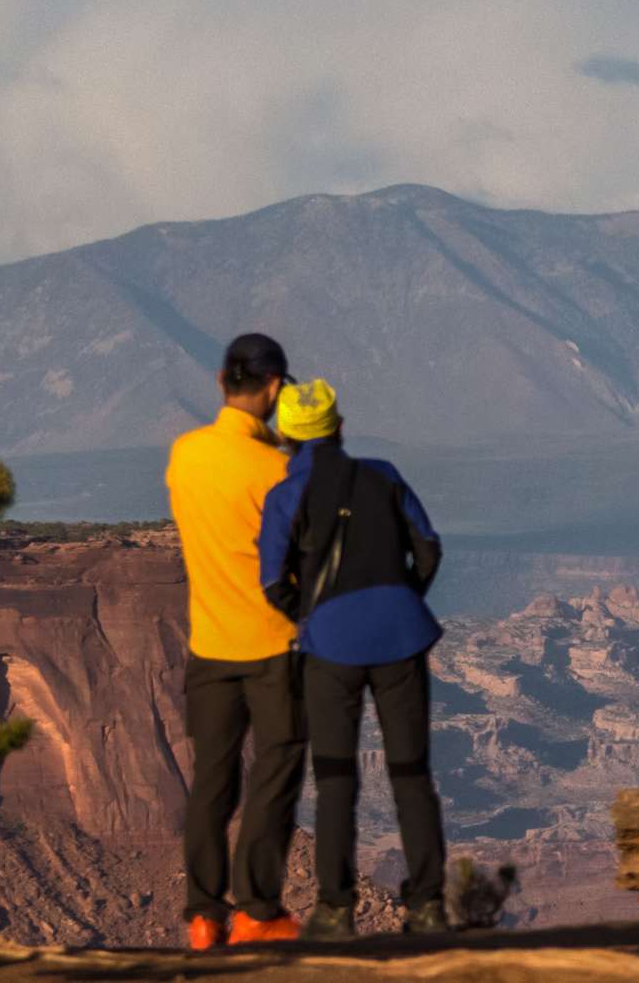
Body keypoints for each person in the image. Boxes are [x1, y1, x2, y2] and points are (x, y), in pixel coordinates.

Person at [259, 378, 450, 941]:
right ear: (339, 427)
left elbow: (272, 579)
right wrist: (405, 595)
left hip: (330, 650)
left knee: (337, 777)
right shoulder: (384, 476)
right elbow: (430, 546)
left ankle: (336, 910)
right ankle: (429, 906)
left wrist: (309, 617)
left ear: (286, 440)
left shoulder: (285, 498)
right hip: (402, 639)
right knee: (411, 774)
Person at [165, 333, 306, 950]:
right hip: (274, 648)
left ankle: (203, 915)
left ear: (221, 379)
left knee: (211, 781)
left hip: (209, 646)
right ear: (275, 389)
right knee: (275, 774)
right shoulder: (278, 469)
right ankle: (255, 909)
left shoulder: (184, 454)